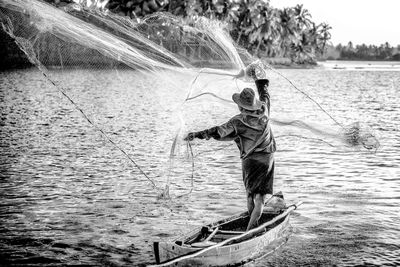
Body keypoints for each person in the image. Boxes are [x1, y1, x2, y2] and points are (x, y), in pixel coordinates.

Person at [184, 64, 277, 231]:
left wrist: (196, 134)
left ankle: (250, 227)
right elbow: (264, 91)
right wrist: (257, 76)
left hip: (248, 161)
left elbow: (217, 131)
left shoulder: (237, 121)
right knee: (260, 199)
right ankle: (251, 229)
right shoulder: (264, 109)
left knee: (250, 195)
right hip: (266, 160)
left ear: (241, 106)